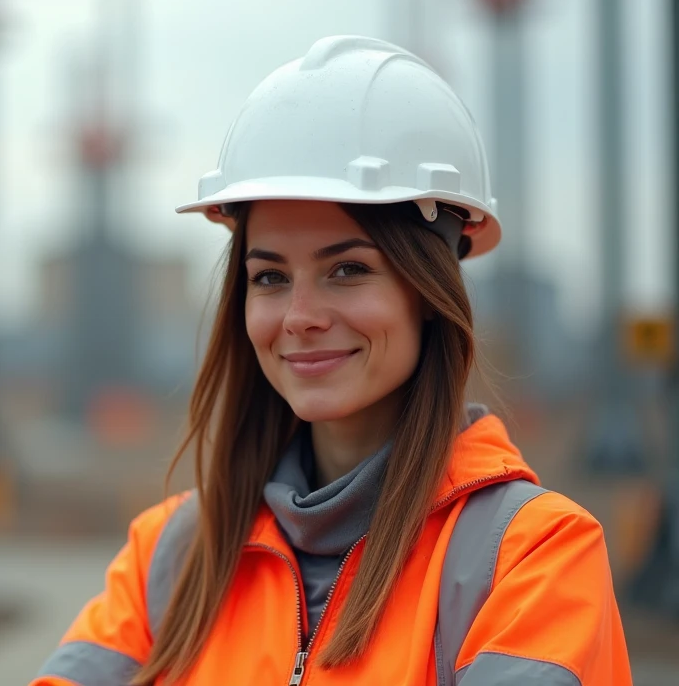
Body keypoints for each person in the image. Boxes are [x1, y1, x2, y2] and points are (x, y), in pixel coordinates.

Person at [32, 35, 632, 685]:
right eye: (269, 277)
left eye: (347, 269)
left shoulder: (530, 558)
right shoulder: (170, 557)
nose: (300, 315)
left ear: (428, 291)